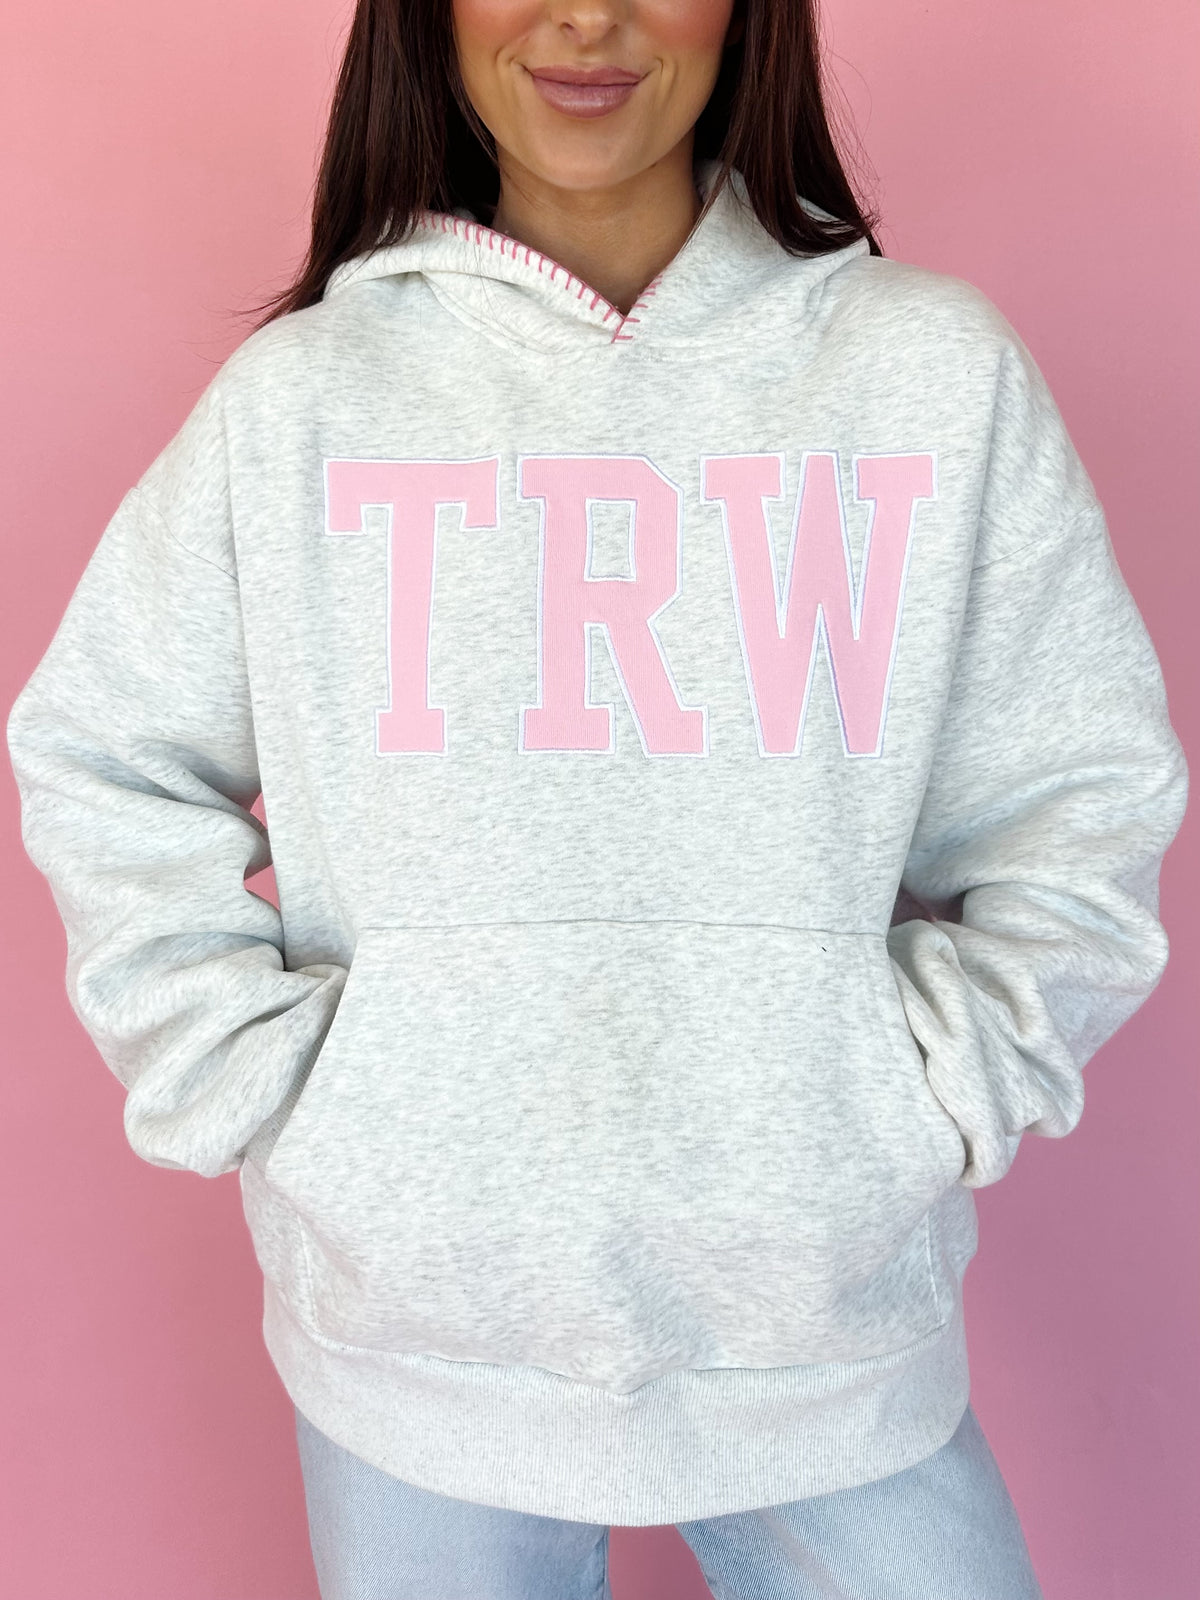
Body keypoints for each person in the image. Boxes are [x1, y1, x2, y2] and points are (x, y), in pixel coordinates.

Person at [6, 0, 1188, 1596]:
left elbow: (1082, 790)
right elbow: (108, 755)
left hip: (824, 1336)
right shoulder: (302, 402)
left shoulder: (928, 373)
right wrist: (275, 1090)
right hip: (415, 1343)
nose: (586, 17)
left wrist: (931, 1088)